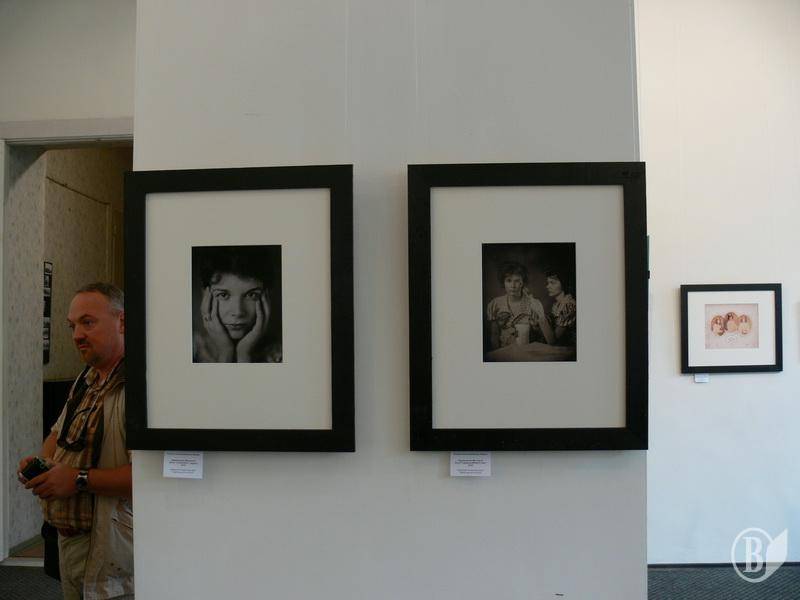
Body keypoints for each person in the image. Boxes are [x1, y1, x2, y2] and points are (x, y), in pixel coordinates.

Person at [17, 282, 133, 599]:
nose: (77, 335)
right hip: (70, 544)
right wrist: (42, 465)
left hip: (111, 549)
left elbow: (151, 477)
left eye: (88, 322)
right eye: (72, 326)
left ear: (123, 322)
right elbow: (58, 434)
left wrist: (77, 479)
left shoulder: (138, 388)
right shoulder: (88, 376)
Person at [192, 246, 282, 363]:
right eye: (223, 295)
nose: (238, 312)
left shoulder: (281, 355)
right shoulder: (188, 350)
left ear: (267, 297)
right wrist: (226, 353)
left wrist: (244, 355)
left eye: (252, 295)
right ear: (205, 295)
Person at [486, 261, 554, 349]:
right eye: (509, 280)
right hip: (504, 352)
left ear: (522, 283)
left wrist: (536, 327)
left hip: (528, 351)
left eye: (517, 281)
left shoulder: (534, 304)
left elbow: (544, 338)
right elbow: (494, 335)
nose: (513, 285)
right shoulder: (495, 304)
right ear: (503, 282)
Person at [544, 269, 577, 347]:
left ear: (563, 283)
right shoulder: (557, 305)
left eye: (552, 283)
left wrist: (542, 320)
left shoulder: (568, 305)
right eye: (548, 283)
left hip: (569, 348)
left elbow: (553, 341)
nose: (548, 286)